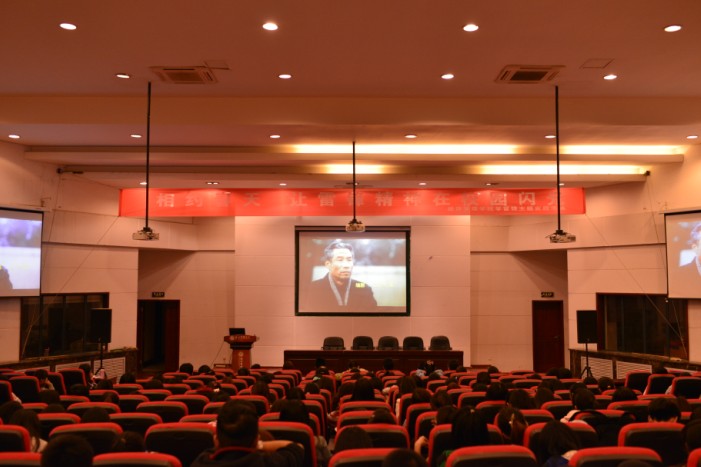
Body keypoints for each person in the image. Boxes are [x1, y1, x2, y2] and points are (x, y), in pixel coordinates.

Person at [190, 399, 304, 467]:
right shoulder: (271, 463)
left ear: (216, 440)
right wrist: (260, 445)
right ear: (256, 439)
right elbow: (296, 447)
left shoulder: (200, 463)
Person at [302, 241, 377, 312]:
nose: (346, 265)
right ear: (328, 264)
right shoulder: (313, 289)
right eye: (340, 260)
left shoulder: (364, 289)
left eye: (349, 260)